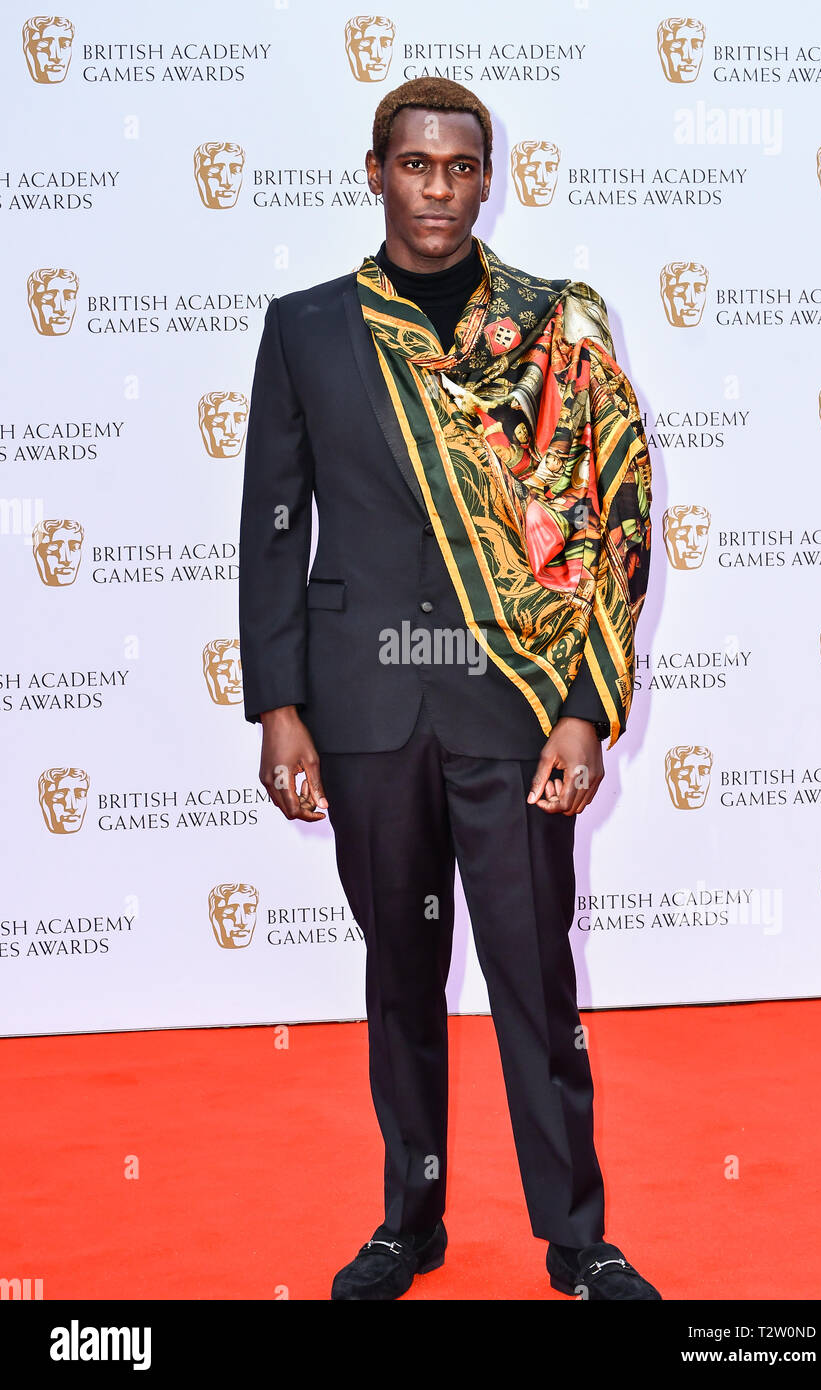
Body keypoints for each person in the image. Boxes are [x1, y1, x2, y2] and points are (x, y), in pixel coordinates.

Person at [238, 76, 658, 1301]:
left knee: (535, 977)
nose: (437, 188)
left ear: (489, 177)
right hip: (364, 710)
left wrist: (581, 704)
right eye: (414, 165)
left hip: (513, 702)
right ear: (373, 173)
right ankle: (405, 1224)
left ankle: (575, 1237)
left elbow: (607, 520)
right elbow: (274, 527)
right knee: (398, 979)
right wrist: (279, 707)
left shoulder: (552, 328)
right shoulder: (307, 327)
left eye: (459, 166)